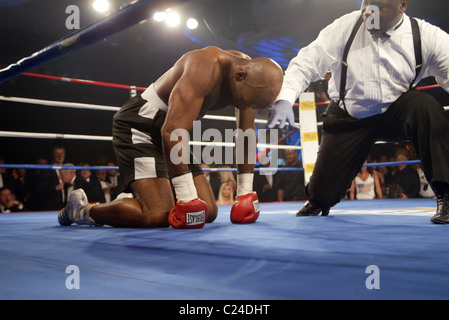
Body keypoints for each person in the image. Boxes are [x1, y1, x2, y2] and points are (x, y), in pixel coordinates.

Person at [58, 46, 283, 229]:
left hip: (175, 131)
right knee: (157, 216)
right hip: (142, 124)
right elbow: (170, 131)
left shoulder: (252, 81)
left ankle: (135, 198)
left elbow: (246, 134)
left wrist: (245, 192)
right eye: (248, 101)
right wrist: (185, 198)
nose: (247, 107)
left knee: (208, 212)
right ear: (240, 76)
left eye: (254, 106)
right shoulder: (205, 67)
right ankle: (81, 210)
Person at [267, 0, 449, 223]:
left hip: (396, 111)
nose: (368, 10)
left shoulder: (425, 36)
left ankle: (447, 196)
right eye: (366, 2)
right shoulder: (345, 27)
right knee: (322, 196)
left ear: (402, 5)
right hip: (349, 115)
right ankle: (318, 199)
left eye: (380, 5)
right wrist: (285, 98)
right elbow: (306, 63)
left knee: (426, 107)